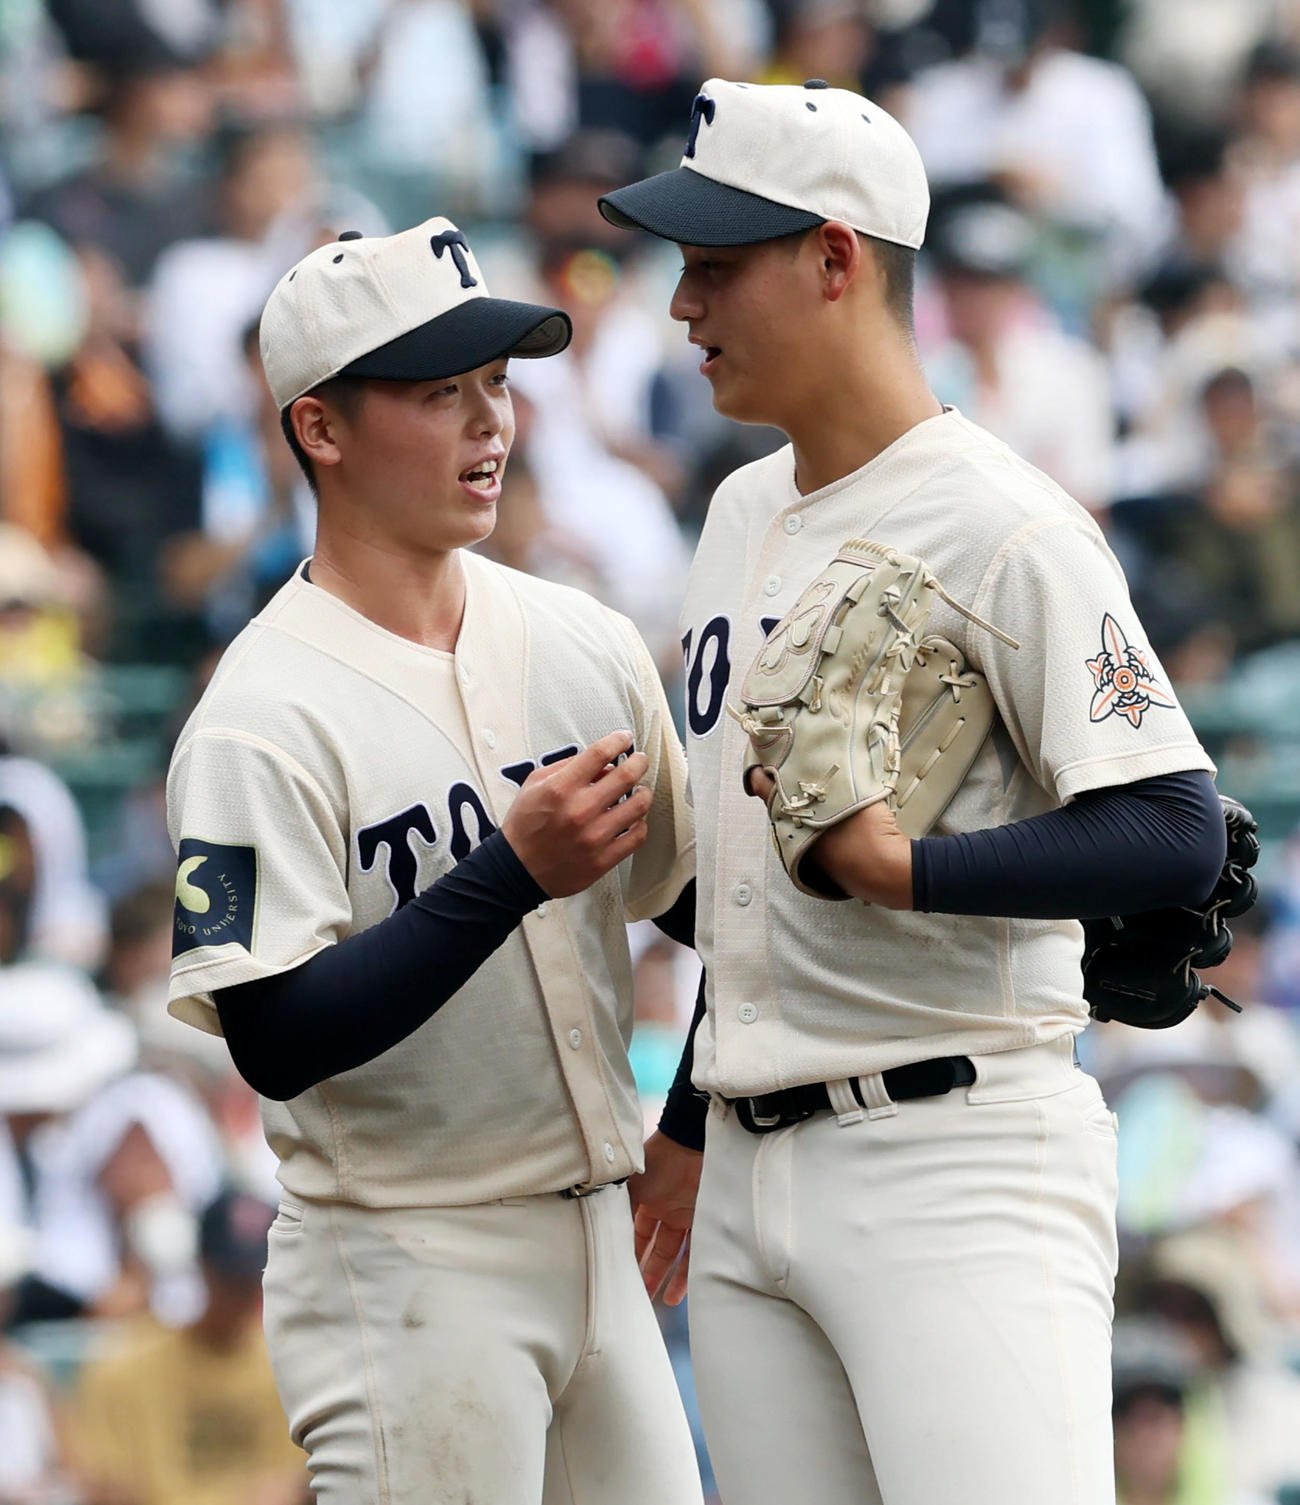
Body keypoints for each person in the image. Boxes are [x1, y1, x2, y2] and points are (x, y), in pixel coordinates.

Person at [598, 79, 1226, 1505]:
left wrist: (912, 874)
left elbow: (1173, 827)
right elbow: (758, 875)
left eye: (716, 267)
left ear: (836, 260)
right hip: (756, 1161)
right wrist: (695, 1122)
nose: (682, 305)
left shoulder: (1004, 521)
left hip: (955, 1156)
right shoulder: (740, 512)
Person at [164, 216, 702, 1505]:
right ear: (322, 428)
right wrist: (505, 873)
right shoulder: (258, 715)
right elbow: (274, 1034)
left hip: (604, 1236)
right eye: (434, 392)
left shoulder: (585, 638)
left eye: (496, 383)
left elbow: (717, 914)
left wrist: (687, 1120)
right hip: (404, 1262)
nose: (489, 425)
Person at [74, 1189, 310, 1505]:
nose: (239, 1295)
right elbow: (106, 1488)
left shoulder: (294, 1373)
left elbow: (296, 1484)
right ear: (203, 1267)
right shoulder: (122, 1370)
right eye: (229, 1278)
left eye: (252, 1277)